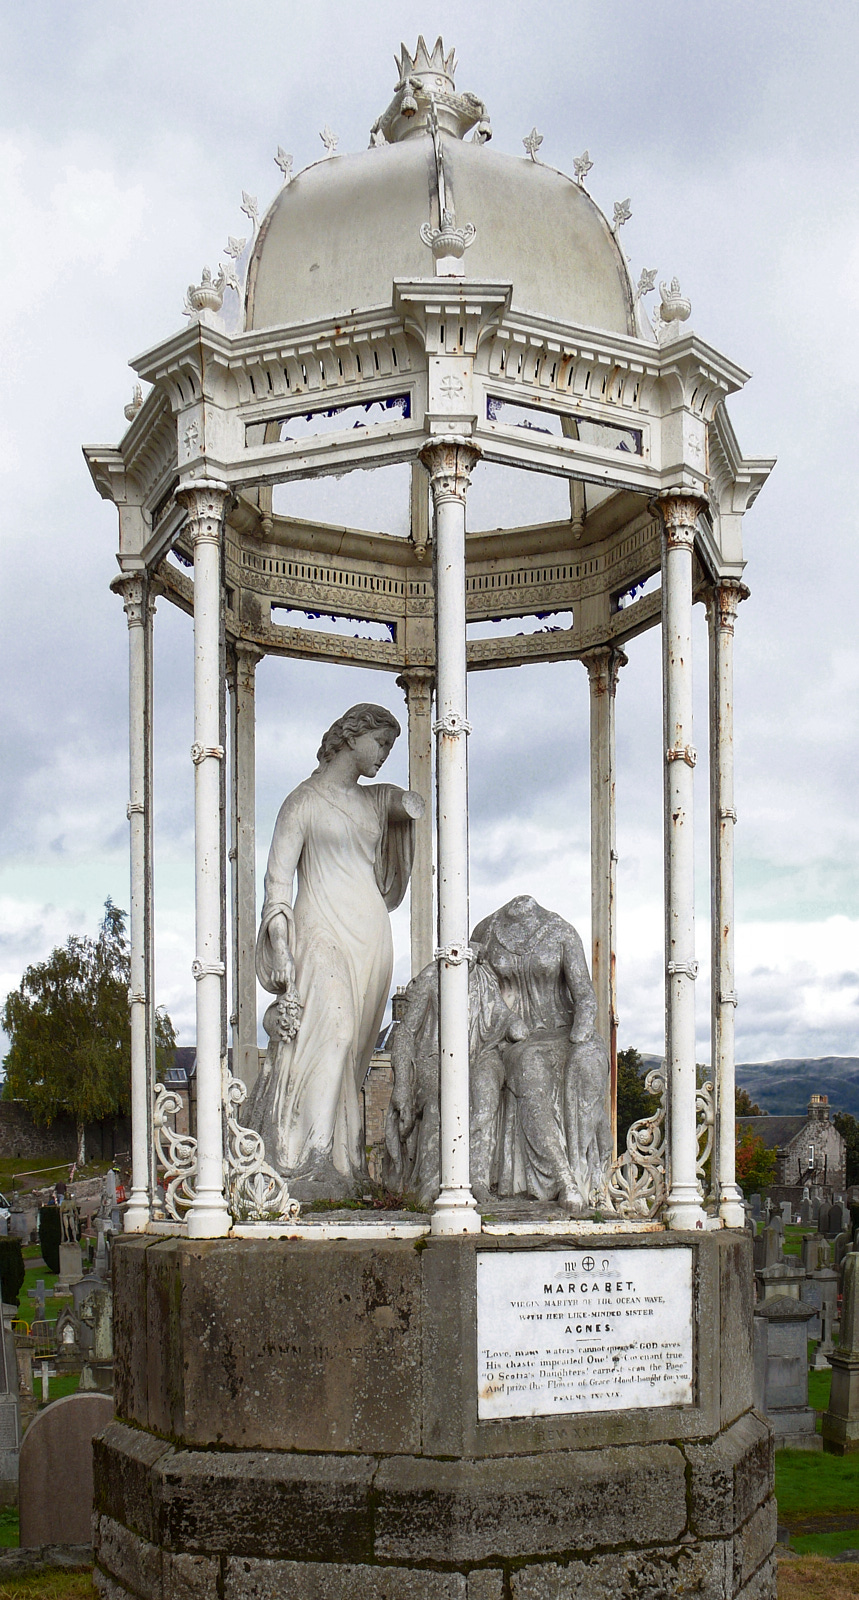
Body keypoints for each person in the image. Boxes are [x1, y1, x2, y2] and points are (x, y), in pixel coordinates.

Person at [246, 703, 424, 1195]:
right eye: (381, 742)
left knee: (352, 1055)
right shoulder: (301, 803)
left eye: (392, 745)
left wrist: (411, 801)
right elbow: (277, 884)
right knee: (335, 1030)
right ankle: (312, 1158)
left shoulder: (375, 801)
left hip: (370, 936)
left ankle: (342, 1164)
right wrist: (280, 947)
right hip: (319, 928)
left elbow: (412, 805)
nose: (386, 754)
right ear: (351, 735)